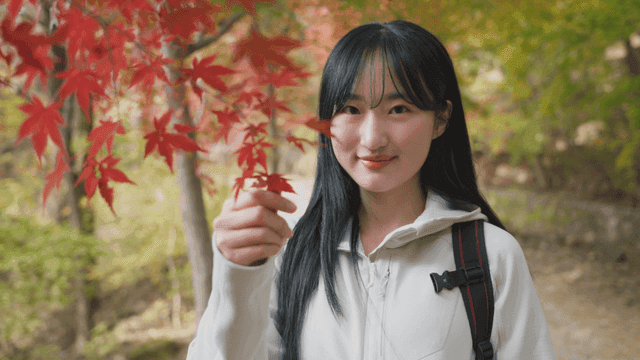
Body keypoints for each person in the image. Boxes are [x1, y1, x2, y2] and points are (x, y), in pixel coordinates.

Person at [186, 20, 556, 359]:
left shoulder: (490, 255)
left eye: (399, 109)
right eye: (350, 108)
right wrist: (238, 273)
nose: (372, 138)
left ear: (441, 119)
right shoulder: (289, 252)